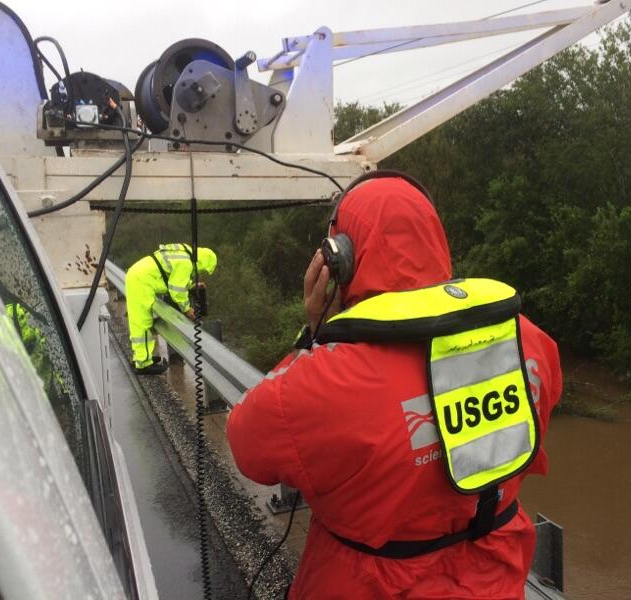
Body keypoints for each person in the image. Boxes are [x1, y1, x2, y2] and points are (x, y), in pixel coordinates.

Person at [226, 173, 561, 599]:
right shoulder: (528, 341)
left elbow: (245, 443)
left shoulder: (325, 383)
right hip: (495, 578)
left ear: (339, 260)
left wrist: (313, 335)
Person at [125, 243, 217, 374]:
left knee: (138, 322)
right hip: (142, 281)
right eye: (202, 270)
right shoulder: (187, 263)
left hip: (137, 275)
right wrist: (187, 309)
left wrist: (191, 285)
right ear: (202, 263)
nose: (200, 272)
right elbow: (176, 290)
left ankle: (141, 358)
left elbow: (174, 277)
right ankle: (143, 365)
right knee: (142, 323)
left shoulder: (185, 254)